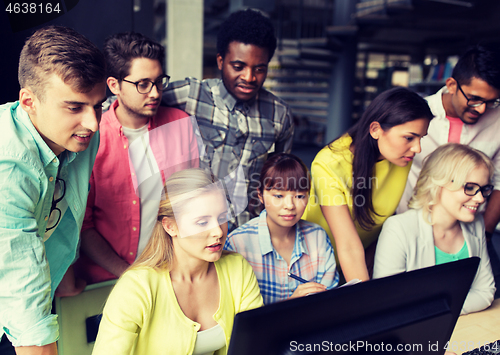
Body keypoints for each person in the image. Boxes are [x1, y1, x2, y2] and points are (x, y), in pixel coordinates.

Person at [0, 26, 106, 354]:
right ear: (29, 102)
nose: (93, 123)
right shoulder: (8, 167)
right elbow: (20, 282)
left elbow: (59, 207)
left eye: (98, 105)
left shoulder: (80, 136)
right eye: (74, 107)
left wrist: (67, 269)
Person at [92, 168, 263, 355]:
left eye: (222, 218)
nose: (219, 232)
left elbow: (255, 343)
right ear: (170, 226)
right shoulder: (137, 286)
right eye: (202, 222)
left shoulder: (237, 268)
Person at [74, 32, 200, 285]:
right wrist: (129, 276)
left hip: (170, 277)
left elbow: (192, 203)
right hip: (108, 283)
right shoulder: (91, 138)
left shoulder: (181, 124)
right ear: (114, 85)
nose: (154, 93)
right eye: (143, 84)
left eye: (159, 81)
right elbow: (82, 226)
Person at [162, 9, 294, 229]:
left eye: (259, 69)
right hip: (194, 232)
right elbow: (131, 104)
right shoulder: (192, 95)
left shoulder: (280, 116)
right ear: (221, 61)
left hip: (248, 235)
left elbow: (280, 183)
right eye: (238, 67)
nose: (249, 77)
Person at [303, 87, 434, 283]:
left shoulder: (400, 156)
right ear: (375, 130)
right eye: (409, 138)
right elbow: (347, 244)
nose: (417, 148)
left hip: (362, 259)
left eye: (420, 138)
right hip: (315, 264)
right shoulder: (329, 164)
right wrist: (365, 298)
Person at [374, 143, 496, 315]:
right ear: (439, 183)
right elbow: (388, 302)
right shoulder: (398, 229)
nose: (480, 198)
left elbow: (485, 292)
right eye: (470, 188)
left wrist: (438, 310)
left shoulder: (476, 224)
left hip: (466, 327)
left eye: (485, 189)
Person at [398, 43, 500, 241]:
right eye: (474, 99)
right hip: (411, 232)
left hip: (472, 234)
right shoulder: (415, 114)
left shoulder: (498, 120)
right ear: (452, 85)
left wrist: (485, 234)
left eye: (491, 102)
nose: (481, 109)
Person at [225, 153, 338, 305]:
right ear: (260, 195)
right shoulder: (237, 244)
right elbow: (234, 314)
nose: (290, 205)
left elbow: (330, 303)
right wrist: (291, 305)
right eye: (278, 196)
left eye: (299, 196)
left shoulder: (318, 237)